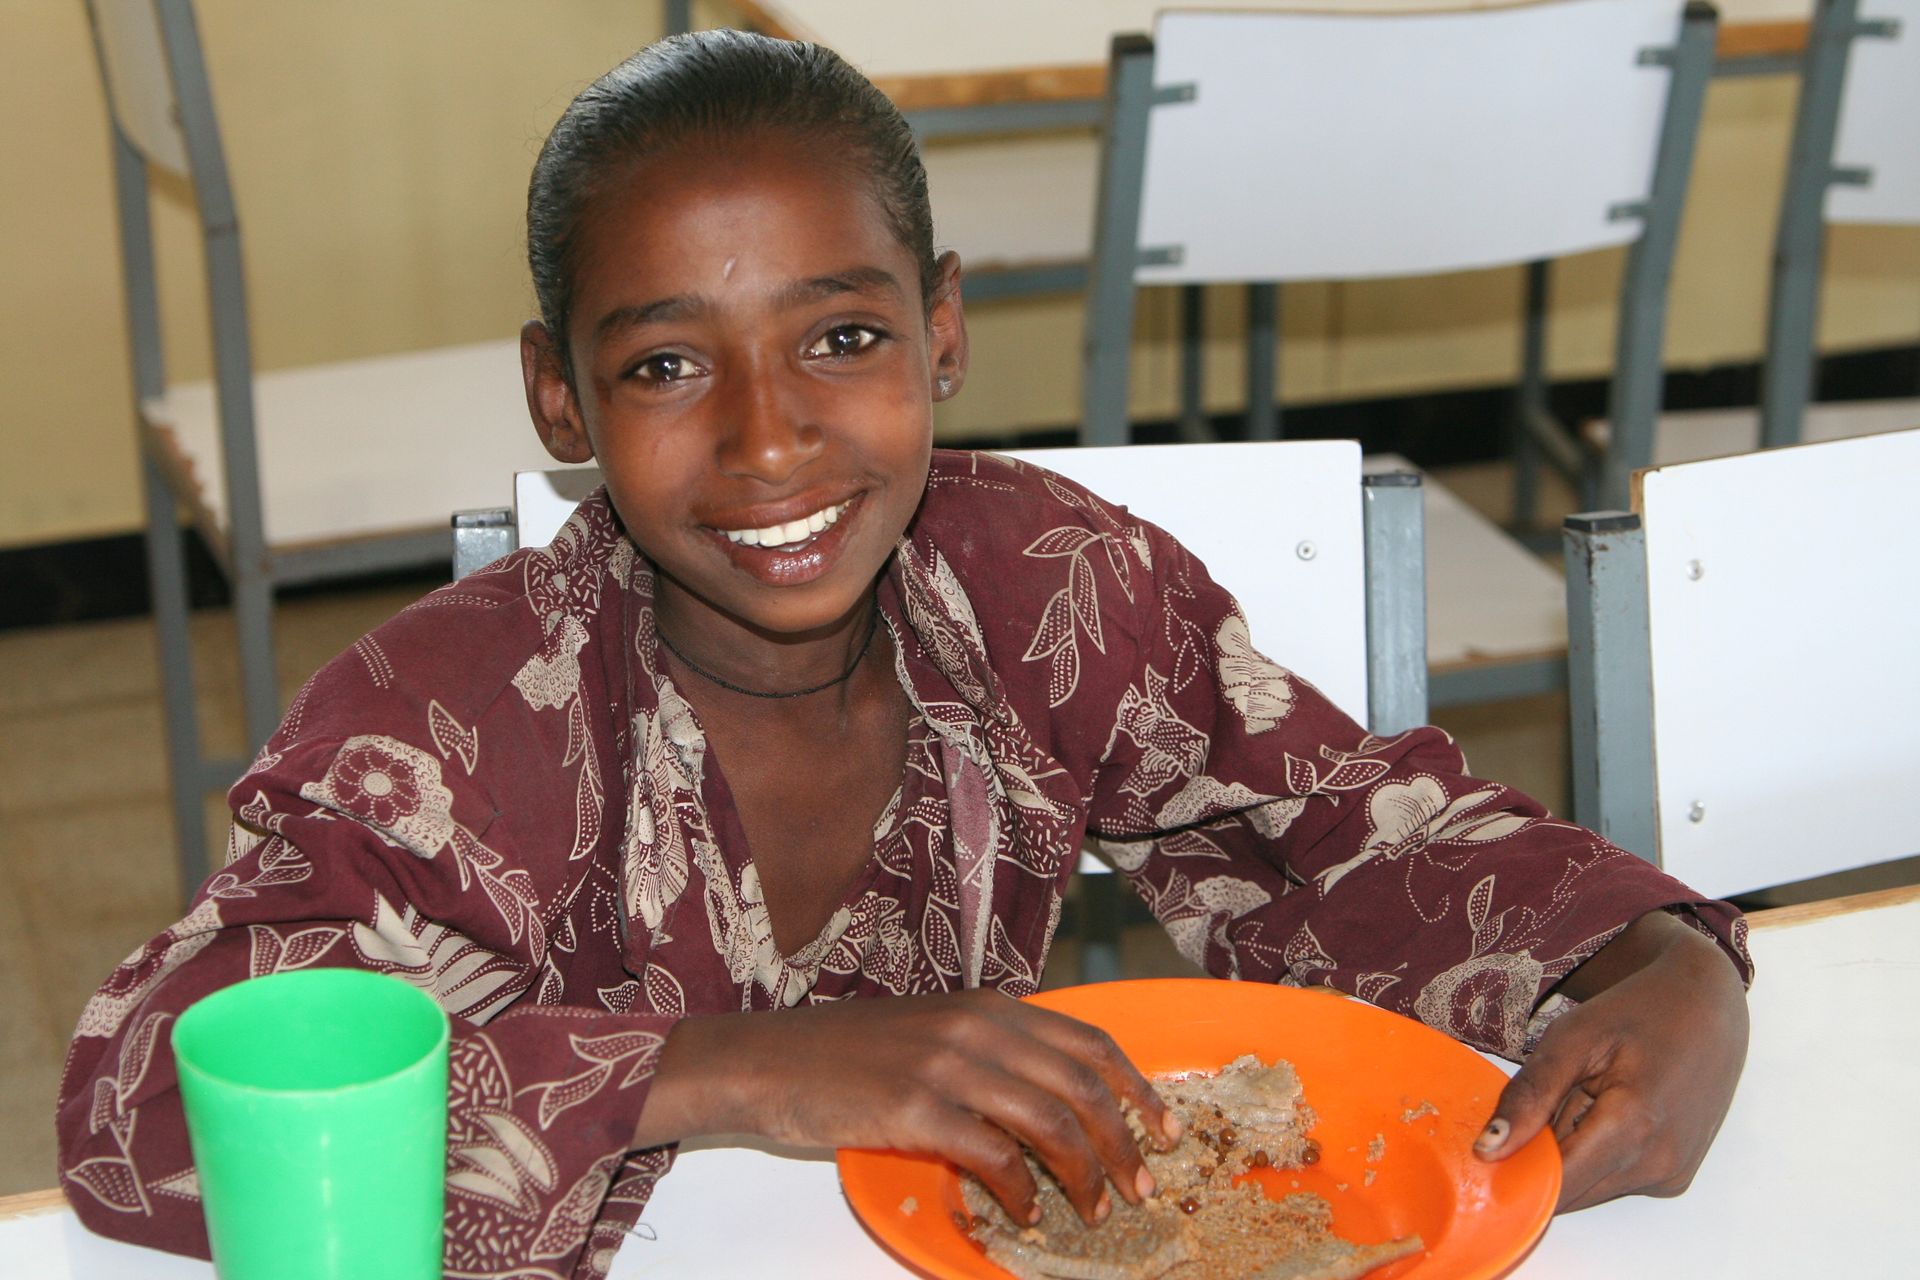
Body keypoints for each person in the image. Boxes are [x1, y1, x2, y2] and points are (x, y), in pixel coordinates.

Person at [57, 29, 1751, 1280]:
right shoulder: (452, 725)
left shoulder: (1045, 589)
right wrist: (734, 1073)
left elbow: (1335, 831)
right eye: (664, 368)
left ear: (943, 334)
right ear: (559, 397)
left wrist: (1659, 970)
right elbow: (142, 1100)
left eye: (843, 339)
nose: (771, 440)